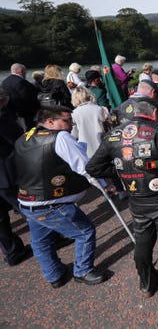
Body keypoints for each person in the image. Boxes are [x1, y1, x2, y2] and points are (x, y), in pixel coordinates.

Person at [87, 100, 158, 299]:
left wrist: (122, 171)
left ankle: (147, 283)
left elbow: (93, 167)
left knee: (142, 240)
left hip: (136, 197)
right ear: (154, 113)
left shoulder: (113, 135)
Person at [13, 105, 107, 287]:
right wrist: (102, 186)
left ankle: (54, 276)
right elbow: (83, 165)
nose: (71, 124)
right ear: (50, 121)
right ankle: (83, 270)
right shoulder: (60, 137)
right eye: (66, 120)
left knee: (40, 241)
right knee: (84, 232)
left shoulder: (24, 137)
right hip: (51, 202)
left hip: (27, 200)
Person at [0, 87, 32, 266]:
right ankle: (48, 238)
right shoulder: (3, 119)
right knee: (26, 207)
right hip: (6, 174)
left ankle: (12, 251)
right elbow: (19, 143)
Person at [71, 86, 110, 158]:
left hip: (86, 151)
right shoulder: (102, 110)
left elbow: (74, 135)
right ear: (89, 94)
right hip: (105, 148)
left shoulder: (73, 114)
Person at [1, 63, 40, 129]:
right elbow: (27, 99)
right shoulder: (23, 82)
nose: (26, 73)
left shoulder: (4, 82)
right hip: (25, 115)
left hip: (12, 114)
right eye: (25, 71)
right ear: (21, 71)